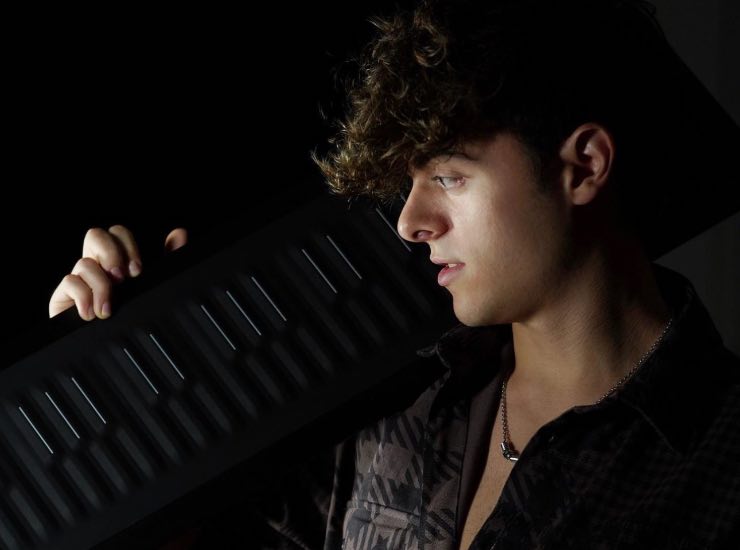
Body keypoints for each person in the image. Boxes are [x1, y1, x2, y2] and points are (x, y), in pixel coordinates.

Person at [49, 0, 739, 548]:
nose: (410, 222)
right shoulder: (399, 405)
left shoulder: (720, 462)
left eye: (448, 176)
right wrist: (113, 381)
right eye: (410, 182)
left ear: (583, 166)